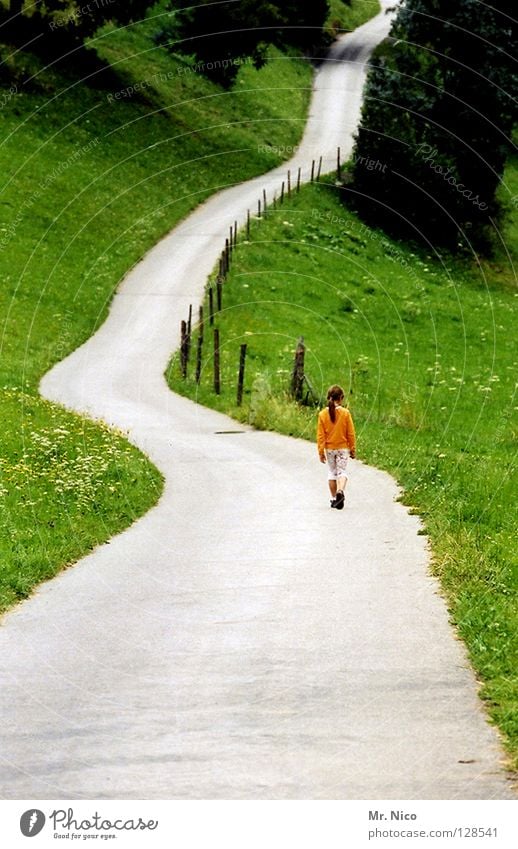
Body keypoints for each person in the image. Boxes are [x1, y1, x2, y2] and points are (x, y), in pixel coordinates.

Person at [317, 384, 356, 509]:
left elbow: (320, 436)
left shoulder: (322, 415)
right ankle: (340, 491)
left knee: (332, 472)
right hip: (343, 448)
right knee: (342, 472)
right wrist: (352, 449)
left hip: (330, 449)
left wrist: (321, 452)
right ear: (341, 398)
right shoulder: (345, 413)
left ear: (328, 397)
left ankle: (334, 499)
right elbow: (350, 433)